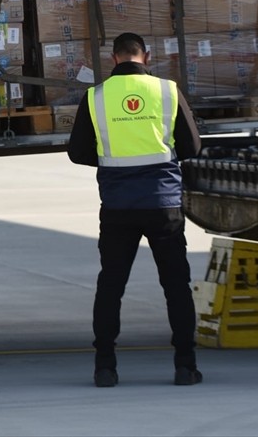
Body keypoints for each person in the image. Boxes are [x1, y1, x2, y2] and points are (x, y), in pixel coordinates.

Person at [68, 32, 203, 388]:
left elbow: (77, 152)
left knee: (111, 286)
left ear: (113, 58)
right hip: (163, 204)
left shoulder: (95, 97)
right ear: (147, 56)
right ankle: (185, 366)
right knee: (175, 286)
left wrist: (110, 159)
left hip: (118, 206)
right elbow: (192, 146)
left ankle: (105, 367)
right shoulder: (167, 91)